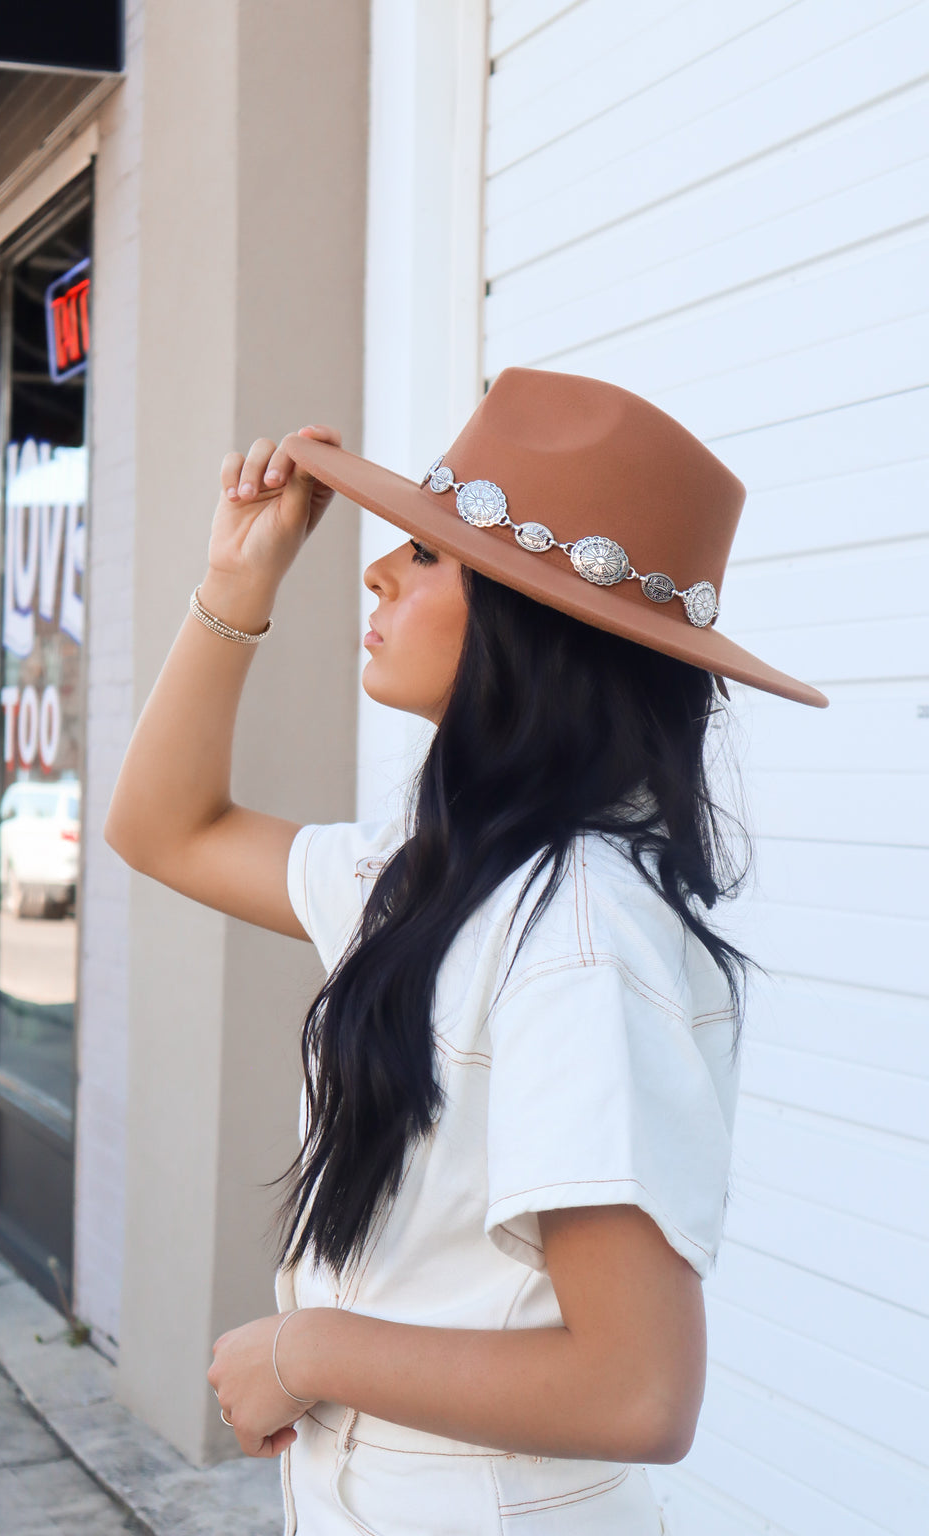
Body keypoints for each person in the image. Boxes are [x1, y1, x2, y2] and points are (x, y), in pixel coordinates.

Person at [104, 368, 826, 1533]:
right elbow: (164, 829)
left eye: (429, 556)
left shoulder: (576, 933)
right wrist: (236, 585)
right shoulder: (440, 877)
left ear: (536, 625)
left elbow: (637, 1389)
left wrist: (309, 1350)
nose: (380, 569)